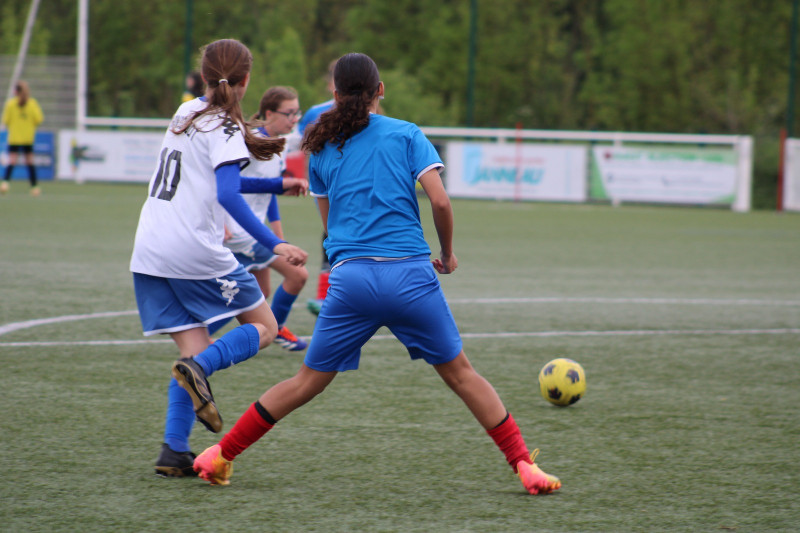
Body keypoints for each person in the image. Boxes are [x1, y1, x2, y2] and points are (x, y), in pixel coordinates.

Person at [191, 53, 562, 496]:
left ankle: (221, 455)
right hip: (410, 278)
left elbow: (330, 228)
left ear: (334, 94)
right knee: (463, 375)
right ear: (380, 90)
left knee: (306, 382)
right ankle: (524, 465)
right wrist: (446, 254)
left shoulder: (321, 146)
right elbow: (440, 203)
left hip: (351, 282)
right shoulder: (407, 134)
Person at [129, 38, 309, 478]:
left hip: (148, 248)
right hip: (192, 248)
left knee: (195, 346)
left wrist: (273, 186)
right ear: (246, 81)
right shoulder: (226, 130)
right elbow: (227, 192)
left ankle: (174, 450)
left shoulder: (185, 111)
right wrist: (275, 244)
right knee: (264, 327)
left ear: (205, 76)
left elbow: (219, 178)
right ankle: (198, 369)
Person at [209, 86, 309, 351]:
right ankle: (276, 329)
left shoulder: (280, 143)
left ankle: (200, 332)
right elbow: (226, 184)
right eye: (288, 113)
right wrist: (219, 221)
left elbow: (269, 193)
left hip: (254, 229)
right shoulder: (249, 141)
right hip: (238, 230)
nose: (294, 119)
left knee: (259, 293)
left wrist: (278, 235)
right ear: (269, 112)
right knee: (297, 274)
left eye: (296, 113)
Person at [297, 60, 336, 316]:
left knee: (336, 234)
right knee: (333, 233)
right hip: (328, 185)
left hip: (348, 185)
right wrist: (303, 178)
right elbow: (301, 146)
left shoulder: (372, 114)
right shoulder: (317, 113)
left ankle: (330, 294)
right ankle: (327, 294)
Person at [1, 80, 44, 196]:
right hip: (27, 138)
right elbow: (39, 119)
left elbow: (5, 120)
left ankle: (5, 183)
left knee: (12, 161)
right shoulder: (32, 103)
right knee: (30, 162)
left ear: (16, 91)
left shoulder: (11, 104)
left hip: (14, 137)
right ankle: (34, 187)